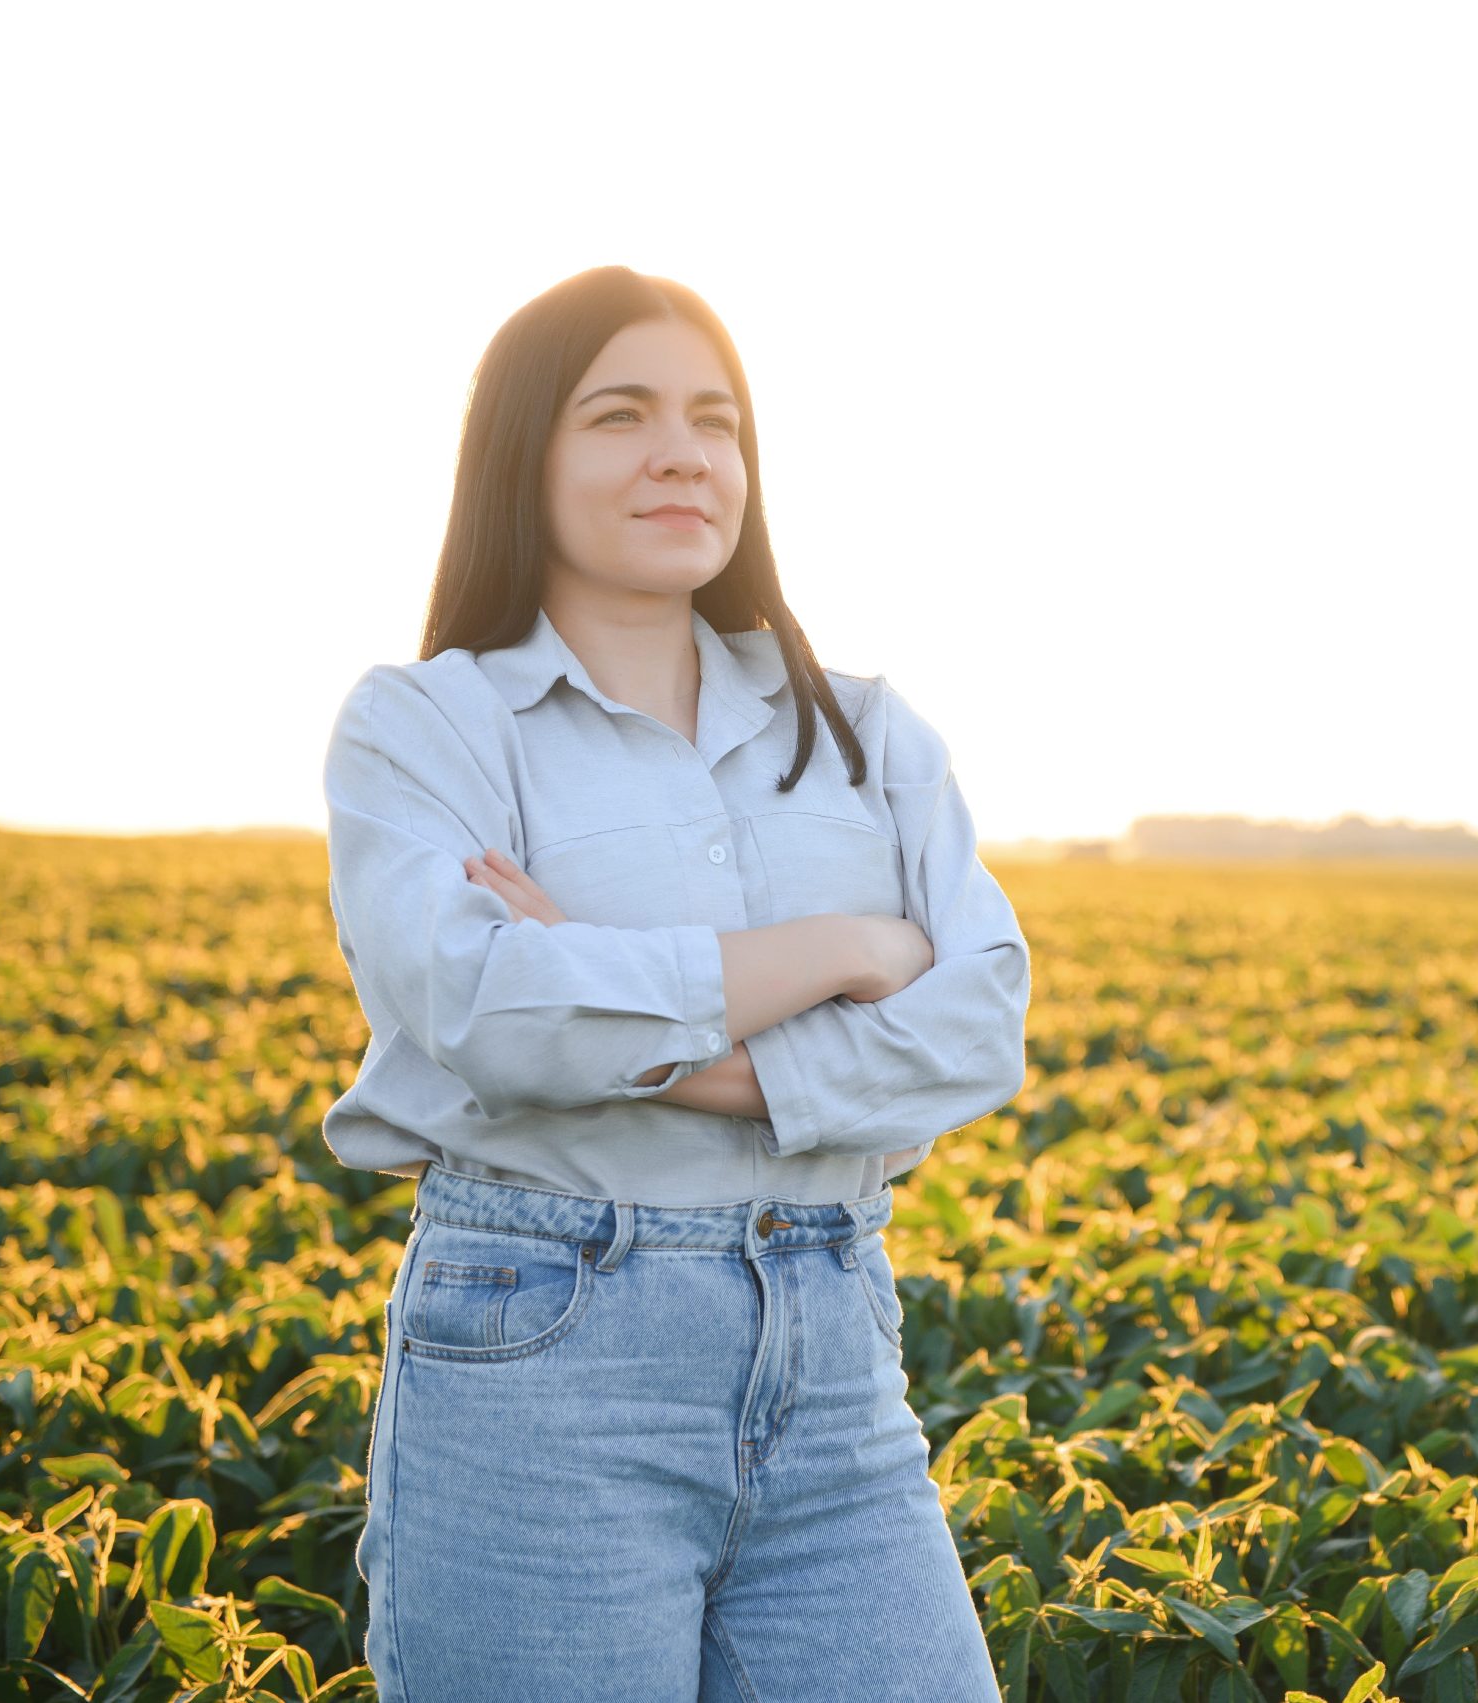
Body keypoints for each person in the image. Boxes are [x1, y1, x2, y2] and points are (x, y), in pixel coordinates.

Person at [322, 264, 1027, 1700]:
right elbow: (488, 1013)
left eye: (717, 419)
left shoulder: (867, 729)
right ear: (524, 453)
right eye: (620, 414)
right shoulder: (428, 726)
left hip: (834, 1347)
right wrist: (840, 954)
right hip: (544, 1350)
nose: (682, 454)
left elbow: (981, 1023)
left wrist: (621, 1008)